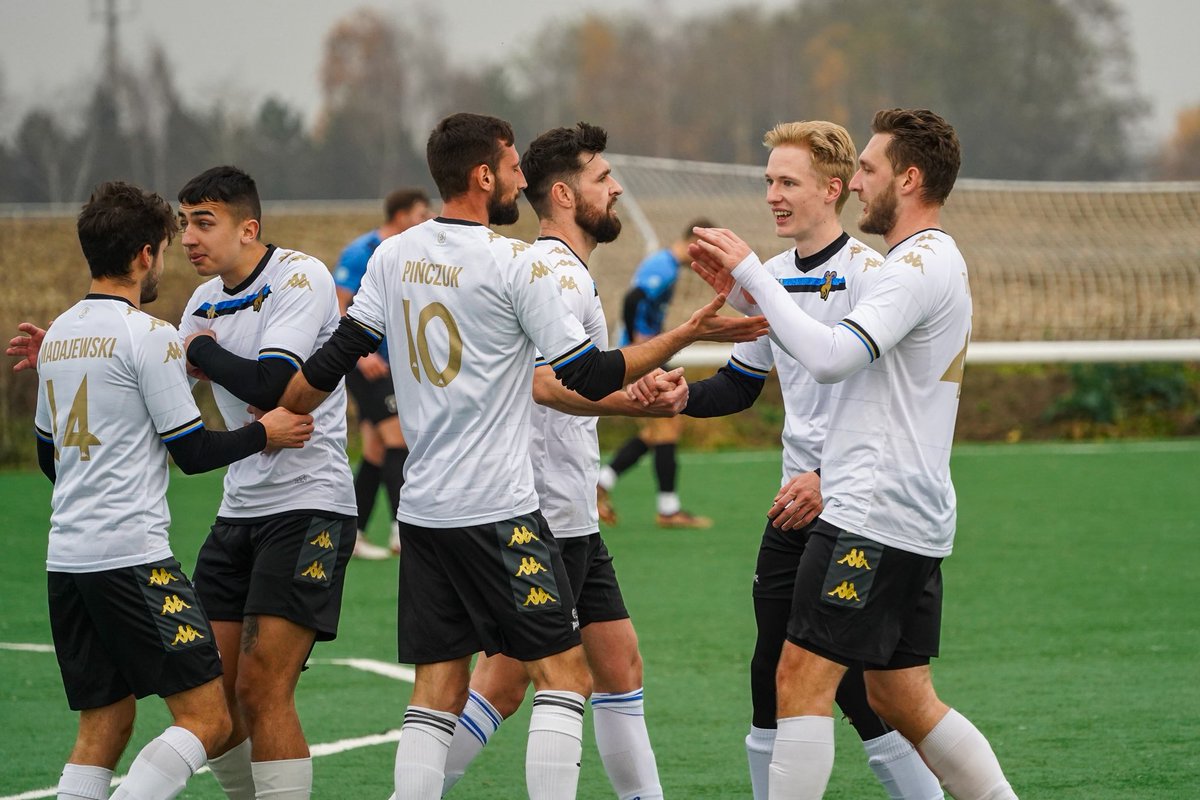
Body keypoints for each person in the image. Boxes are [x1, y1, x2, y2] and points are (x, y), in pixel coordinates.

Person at [275, 111, 766, 800]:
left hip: (424, 510)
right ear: (484, 175)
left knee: (459, 687)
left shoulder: (394, 255)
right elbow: (577, 377)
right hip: (509, 511)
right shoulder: (522, 265)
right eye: (512, 168)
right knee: (558, 679)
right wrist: (688, 333)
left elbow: (334, 358)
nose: (520, 180)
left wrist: (288, 397)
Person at [689, 109, 1017, 799]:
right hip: (902, 509)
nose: (858, 182)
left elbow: (833, 358)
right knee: (900, 698)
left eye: (868, 169)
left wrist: (750, 272)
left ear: (910, 177)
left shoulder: (907, 268)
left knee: (799, 679)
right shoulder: (927, 261)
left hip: (871, 509)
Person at [651, 120, 942, 799]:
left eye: (788, 183)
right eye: (769, 183)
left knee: (865, 688)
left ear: (833, 189)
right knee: (770, 674)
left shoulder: (876, 277)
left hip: (861, 504)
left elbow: (895, 412)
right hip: (793, 504)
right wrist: (679, 398)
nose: (773, 197)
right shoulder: (770, 278)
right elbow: (742, 384)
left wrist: (829, 477)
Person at [23, 181, 312, 800]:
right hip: (131, 559)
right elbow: (193, 451)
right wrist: (264, 431)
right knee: (208, 718)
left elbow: (51, 458)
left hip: (65, 562)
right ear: (145, 255)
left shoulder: (60, 337)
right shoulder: (148, 335)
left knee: (105, 723)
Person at [439, 122, 679, 799]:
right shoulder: (550, 271)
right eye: (605, 179)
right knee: (510, 683)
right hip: (543, 510)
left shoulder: (561, 270)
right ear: (567, 195)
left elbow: (566, 378)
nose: (618, 188)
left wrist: (631, 390)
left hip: (572, 511)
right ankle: (416, 789)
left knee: (620, 665)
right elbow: (547, 383)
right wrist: (638, 407)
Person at [177, 166, 359, 799]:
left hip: (309, 505)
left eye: (204, 222)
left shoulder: (299, 276)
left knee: (261, 686)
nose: (188, 238)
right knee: (210, 700)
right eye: (183, 224)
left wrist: (202, 354)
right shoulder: (199, 302)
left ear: (248, 227)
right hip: (237, 512)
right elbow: (163, 399)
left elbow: (274, 386)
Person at [333, 188, 433, 559]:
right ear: (402, 214)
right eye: (421, 212)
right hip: (369, 365)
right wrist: (362, 355)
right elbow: (338, 305)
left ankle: (353, 533)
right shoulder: (363, 250)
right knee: (398, 441)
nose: (426, 219)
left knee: (375, 449)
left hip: (397, 363)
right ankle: (400, 529)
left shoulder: (414, 252)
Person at [597, 221, 715, 529]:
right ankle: (668, 510)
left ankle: (601, 484)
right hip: (640, 357)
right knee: (668, 426)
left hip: (644, 355)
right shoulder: (664, 265)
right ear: (693, 242)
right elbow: (633, 298)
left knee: (657, 432)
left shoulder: (668, 266)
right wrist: (638, 341)